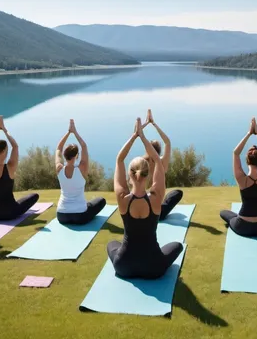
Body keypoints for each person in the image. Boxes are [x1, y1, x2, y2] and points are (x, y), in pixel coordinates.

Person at [107, 118, 183, 279]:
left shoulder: (122, 197)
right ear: (148, 175)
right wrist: (143, 138)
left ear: (130, 175)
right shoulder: (156, 197)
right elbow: (157, 159)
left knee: (111, 245)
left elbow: (119, 159)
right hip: (153, 266)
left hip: (124, 266)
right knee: (177, 246)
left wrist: (135, 135)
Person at [220, 117, 257, 237]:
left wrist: (248, 134)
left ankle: (238, 218)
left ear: (247, 161)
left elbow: (235, 153)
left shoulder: (242, 179)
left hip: (243, 227)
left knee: (224, 213)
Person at [0, 116, 39, 221]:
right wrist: (4, 129)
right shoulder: (10, 167)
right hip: (9, 212)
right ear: (4, 150)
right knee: (34, 196)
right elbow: (15, 146)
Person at [54, 119, 106, 225]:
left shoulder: (59, 168)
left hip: (62, 215)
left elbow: (58, 148)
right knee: (101, 201)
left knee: (90, 204)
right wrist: (75, 132)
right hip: (80, 215)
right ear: (76, 156)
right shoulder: (82, 168)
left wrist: (68, 132)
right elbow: (84, 146)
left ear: (65, 155)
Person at [142, 109, 182, 221]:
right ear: (159, 151)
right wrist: (154, 124)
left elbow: (135, 136)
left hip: (141, 206)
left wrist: (145, 124)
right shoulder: (162, 163)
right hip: (157, 211)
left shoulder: (141, 162)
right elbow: (167, 142)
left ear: (147, 149)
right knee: (177, 193)